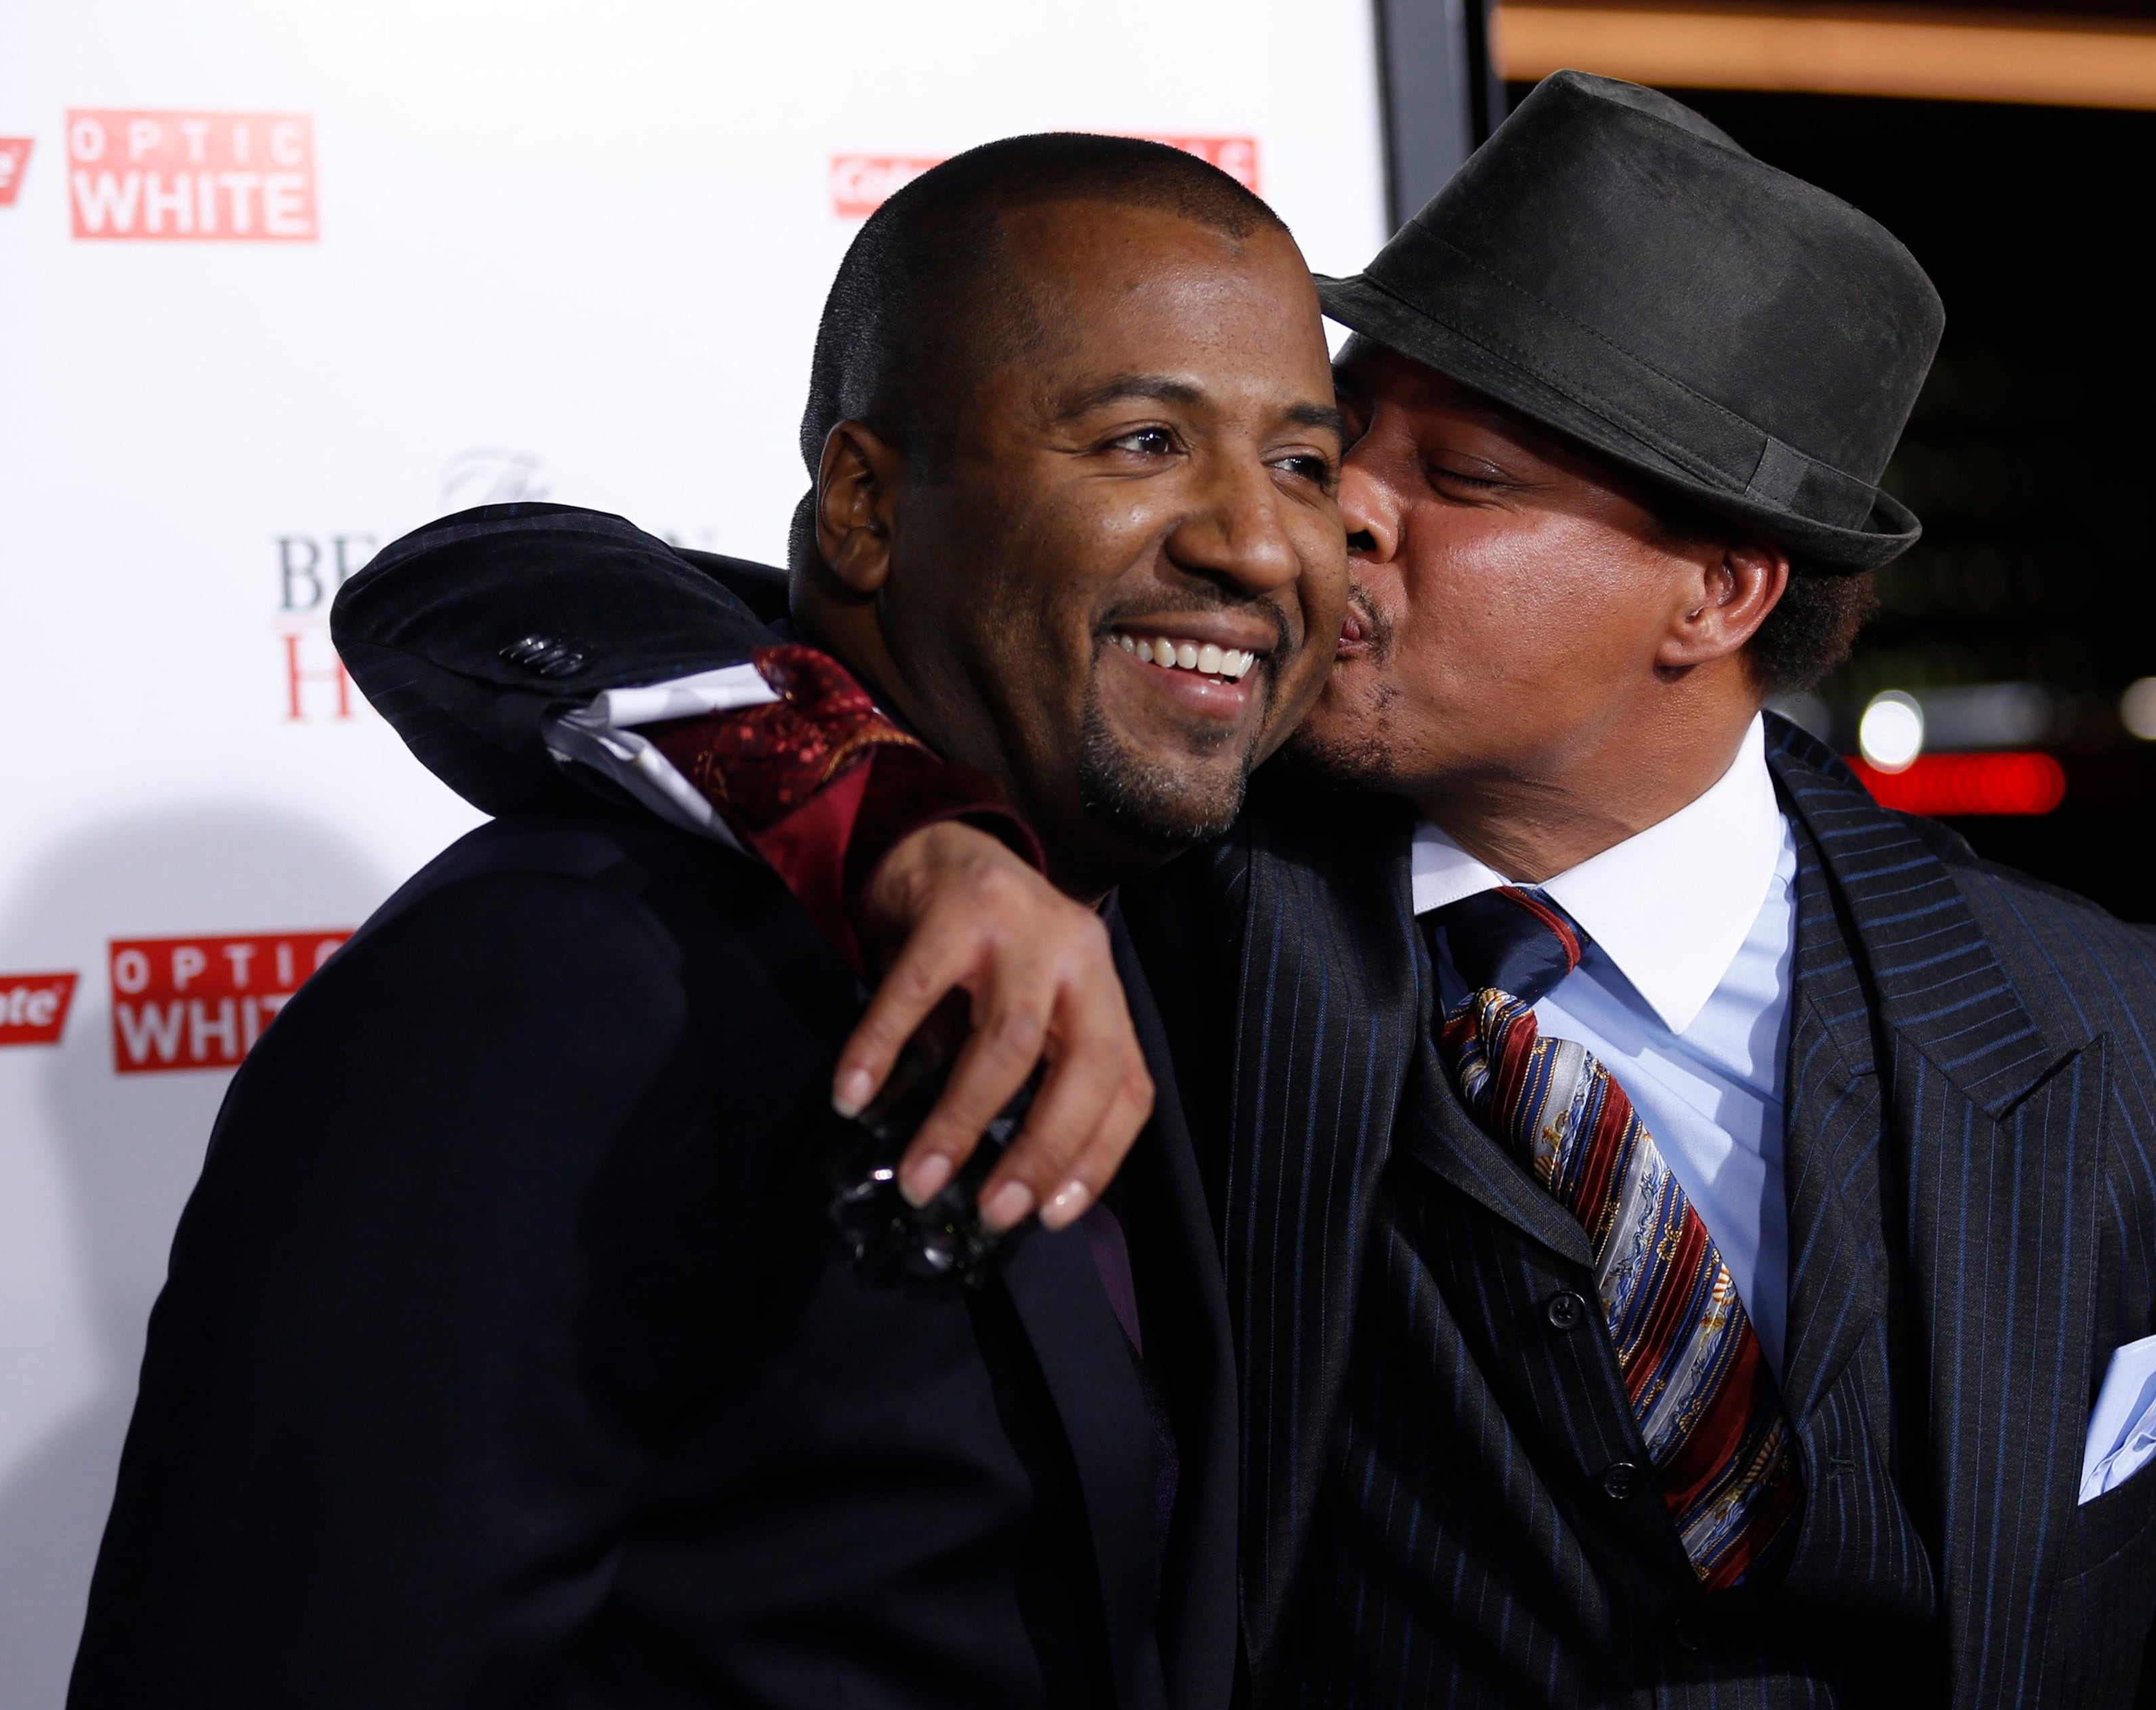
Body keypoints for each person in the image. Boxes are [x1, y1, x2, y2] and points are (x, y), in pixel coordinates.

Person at [333, 75, 2156, 1706]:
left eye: (1465, 481)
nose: (1334, 531)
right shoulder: (1171, 862)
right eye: (1342, 450)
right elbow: (494, 587)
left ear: (1722, 588)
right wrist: (881, 814)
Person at [68, 133, 1354, 1710]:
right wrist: (868, 811)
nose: (1258, 538)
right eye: (1145, 440)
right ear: (868, 505)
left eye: (1305, 463)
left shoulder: (1199, 902)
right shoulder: (564, 975)